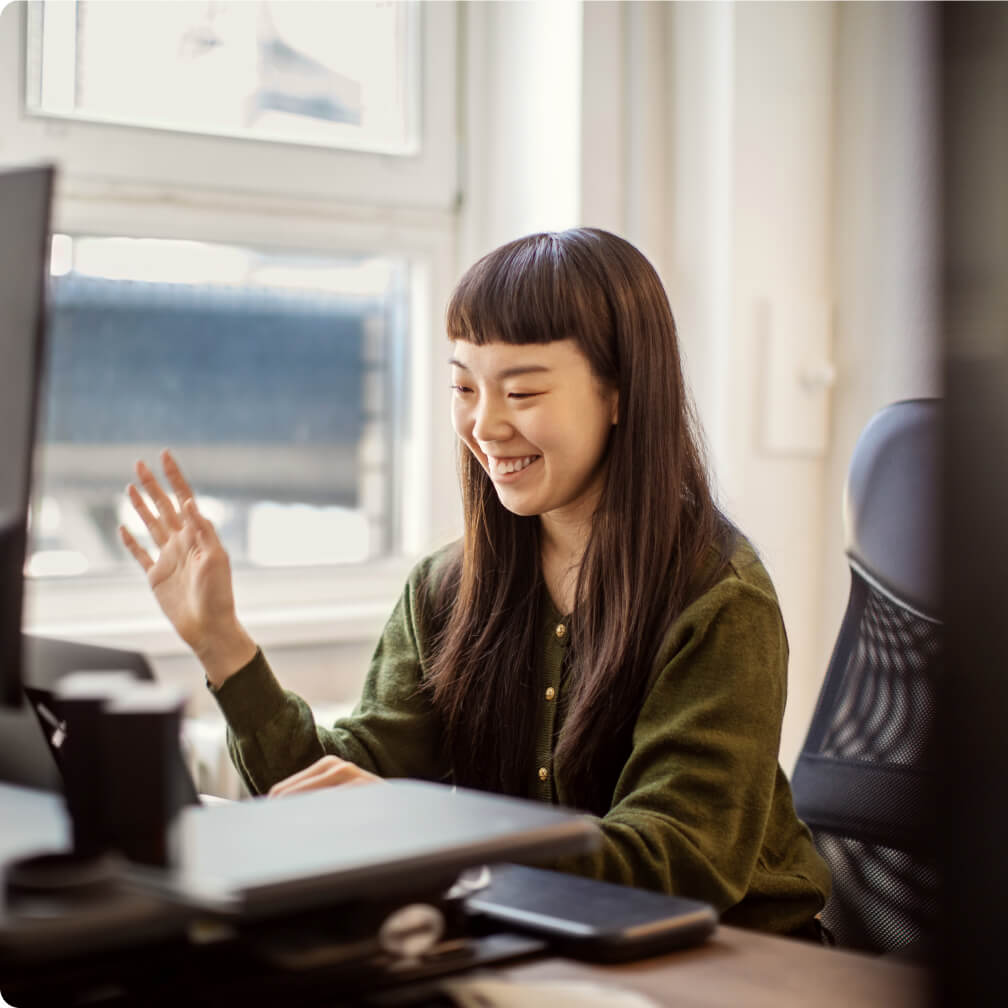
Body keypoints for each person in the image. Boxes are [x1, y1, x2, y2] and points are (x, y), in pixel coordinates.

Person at [120, 227, 831, 937]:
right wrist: (222, 646)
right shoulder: (447, 587)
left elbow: (677, 858)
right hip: (541, 938)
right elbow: (338, 788)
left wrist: (436, 837)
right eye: (463, 387)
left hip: (737, 957)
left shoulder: (719, 600)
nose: (485, 424)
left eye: (521, 391)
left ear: (620, 394)